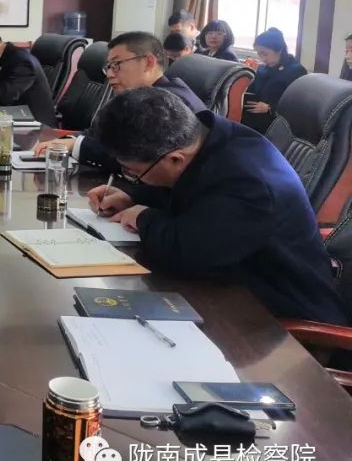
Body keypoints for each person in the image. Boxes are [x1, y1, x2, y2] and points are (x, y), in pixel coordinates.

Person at [86, 88, 348, 325]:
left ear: (175, 159)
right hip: (229, 288)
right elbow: (185, 192)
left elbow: (189, 253)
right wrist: (132, 197)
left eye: (133, 172)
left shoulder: (248, 182)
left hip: (279, 317)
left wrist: (143, 217)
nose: (134, 178)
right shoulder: (204, 139)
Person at [35, 32, 205, 169]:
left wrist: (75, 145)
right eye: (108, 67)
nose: (109, 74)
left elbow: (139, 156)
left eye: (116, 64)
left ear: (148, 62)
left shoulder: (172, 104)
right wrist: (68, 140)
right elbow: (102, 134)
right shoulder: (140, 98)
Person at [241, 27, 307, 133]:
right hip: (253, 120)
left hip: (277, 124)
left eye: (265, 53)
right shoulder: (262, 69)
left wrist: (270, 108)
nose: (262, 58)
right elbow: (251, 92)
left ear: (279, 50)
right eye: (259, 54)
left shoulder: (296, 70)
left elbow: (298, 104)